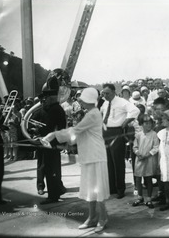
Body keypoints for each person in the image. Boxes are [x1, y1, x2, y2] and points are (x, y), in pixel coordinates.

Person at [42, 87, 109, 232]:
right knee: (90, 188)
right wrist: (62, 139)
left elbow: (75, 130)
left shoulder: (93, 114)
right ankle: (92, 217)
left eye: (83, 100)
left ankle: (102, 217)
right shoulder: (90, 113)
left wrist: (53, 135)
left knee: (98, 189)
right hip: (89, 156)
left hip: (96, 156)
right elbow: (77, 135)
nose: (81, 102)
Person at [100, 83, 140, 199]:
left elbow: (135, 111)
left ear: (113, 92)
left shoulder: (122, 102)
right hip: (106, 132)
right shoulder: (105, 103)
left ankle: (120, 189)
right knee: (108, 161)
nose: (105, 95)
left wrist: (125, 123)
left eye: (107, 93)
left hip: (117, 132)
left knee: (117, 161)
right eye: (104, 93)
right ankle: (111, 187)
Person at [35, 77, 68, 204]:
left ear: (52, 97)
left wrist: (40, 132)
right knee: (53, 169)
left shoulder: (54, 109)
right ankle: (57, 191)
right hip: (53, 143)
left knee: (50, 170)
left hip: (51, 143)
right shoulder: (56, 108)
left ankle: (53, 196)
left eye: (47, 97)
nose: (45, 100)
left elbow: (50, 128)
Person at [131, 114, 159, 209]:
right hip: (139, 159)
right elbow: (135, 146)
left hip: (149, 159)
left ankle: (149, 198)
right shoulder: (138, 135)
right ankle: (140, 197)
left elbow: (156, 147)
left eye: (150, 123)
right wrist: (138, 153)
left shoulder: (154, 134)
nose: (148, 125)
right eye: (146, 123)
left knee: (148, 178)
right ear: (142, 124)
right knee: (138, 178)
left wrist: (148, 154)